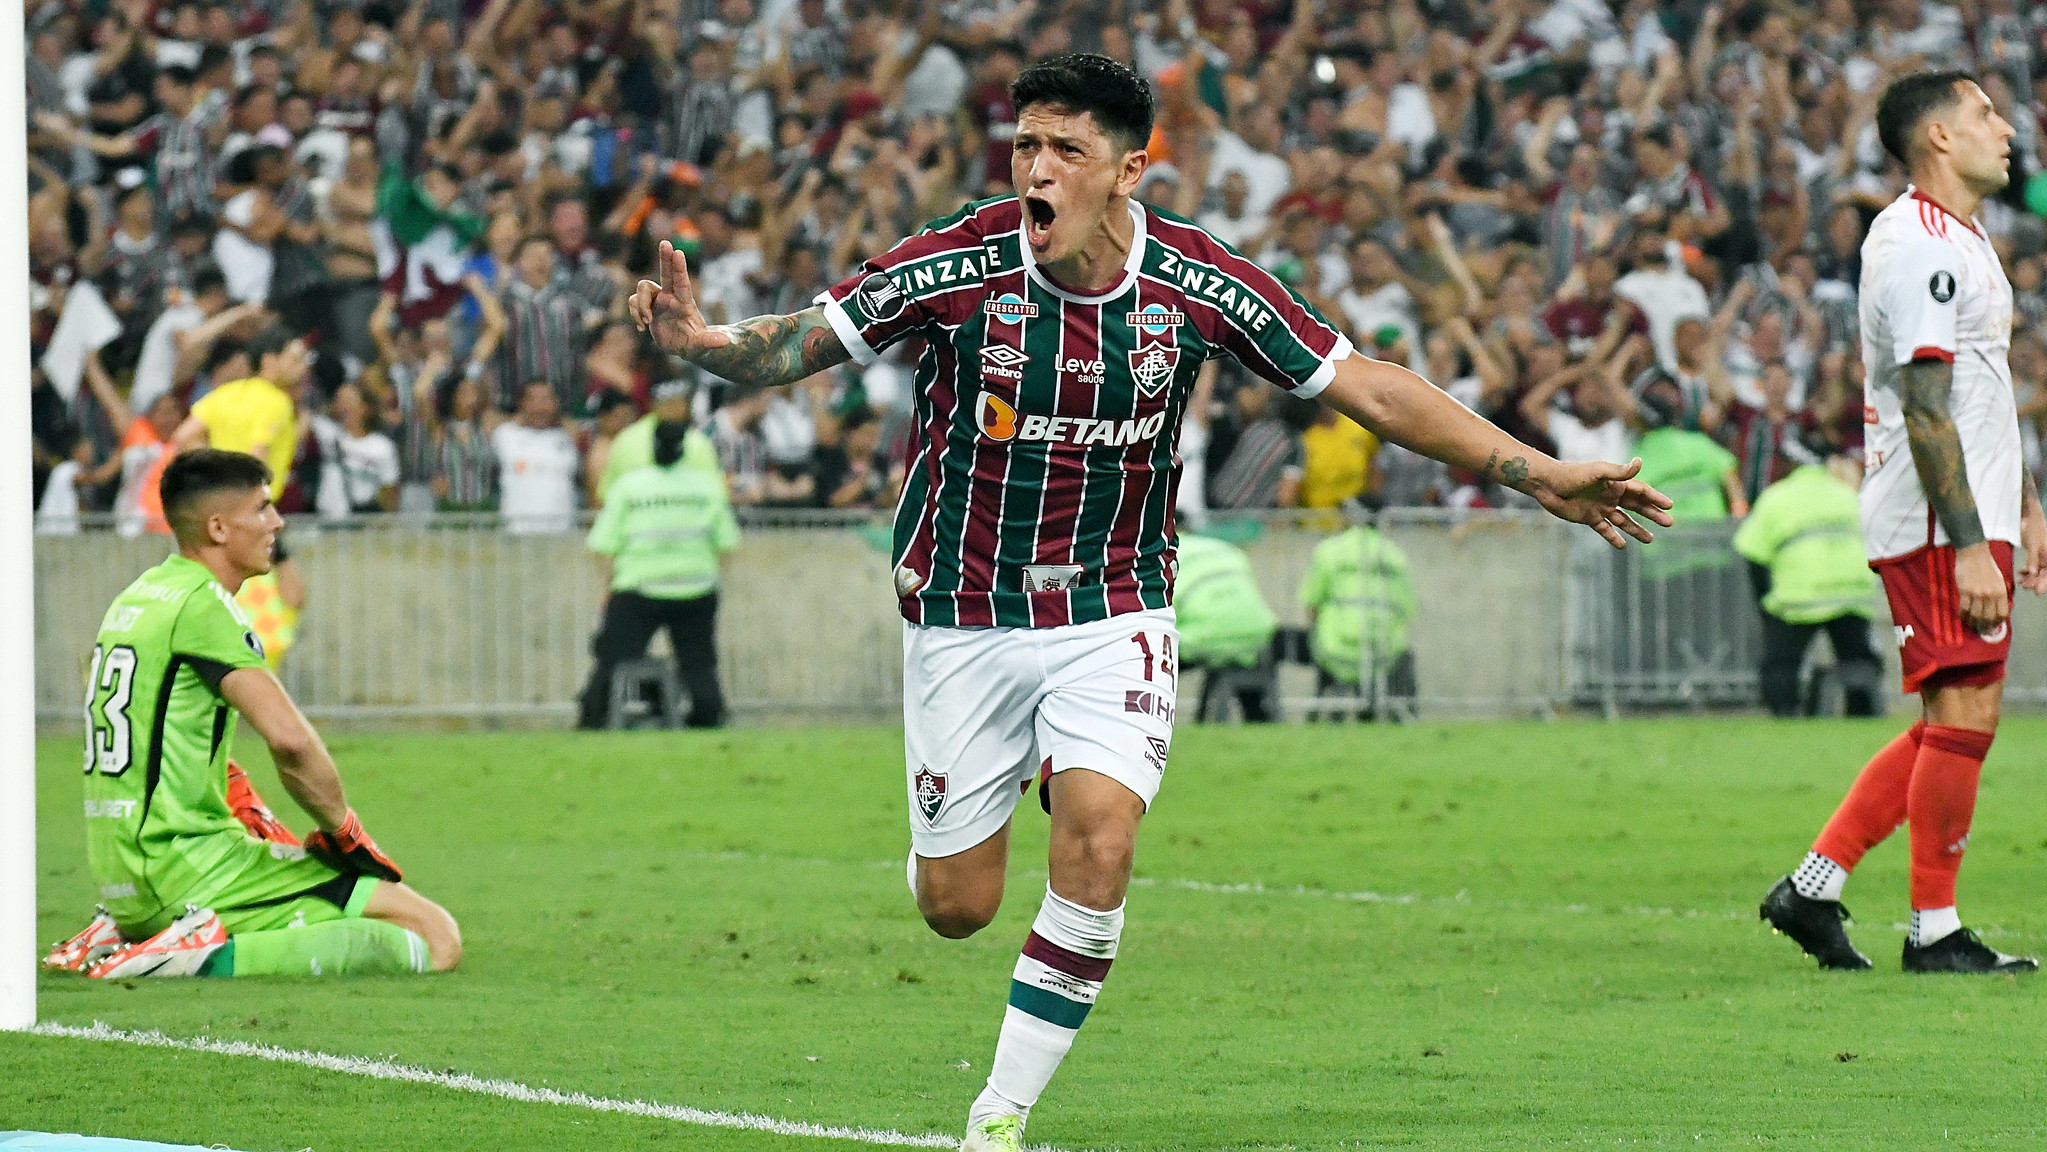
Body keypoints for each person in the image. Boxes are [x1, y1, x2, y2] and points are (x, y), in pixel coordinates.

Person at [630, 54, 1670, 1150]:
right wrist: (709, 349)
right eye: (1025, 145)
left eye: (1065, 150)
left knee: (1100, 845)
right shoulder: (957, 262)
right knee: (957, 908)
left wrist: (1535, 469)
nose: (1036, 167)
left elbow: (1365, 384)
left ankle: (999, 1115)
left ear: (1127, 170)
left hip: (1115, 605)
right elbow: (807, 337)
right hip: (966, 608)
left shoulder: (1200, 282)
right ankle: (982, 813)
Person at [1761, 71, 2044, 976]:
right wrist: (1969, 542)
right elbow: (1924, 409)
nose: (2005, 131)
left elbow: (1979, 395)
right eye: (1984, 115)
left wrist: (2024, 503)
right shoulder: (1918, 247)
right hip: (1932, 517)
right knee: (1962, 710)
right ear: (1935, 139)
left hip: (1970, 507)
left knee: (1954, 716)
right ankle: (1932, 931)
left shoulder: (1960, 238)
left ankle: (1812, 887)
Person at [42, 449, 460, 979]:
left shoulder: (140, 596)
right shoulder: (204, 606)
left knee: (316, 909)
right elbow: (291, 742)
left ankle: (133, 933)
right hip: (186, 867)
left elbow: (160, 739)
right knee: (433, 934)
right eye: (262, 508)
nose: (277, 522)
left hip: (124, 870)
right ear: (218, 527)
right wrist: (345, 830)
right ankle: (189, 957)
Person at [576, 420, 740, 729]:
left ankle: (592, 720)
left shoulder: (631, 486)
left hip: (639, 586)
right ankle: (707, 718)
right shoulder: (707, 486)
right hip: (696, 588)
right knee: (699, 664)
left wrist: (609, 586)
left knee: (612, 658)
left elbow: (602, 545)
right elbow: (726, 543)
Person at [1735, 456, 1883, 718]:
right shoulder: (1847, 495)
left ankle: (1784, 713)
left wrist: (1765, 603)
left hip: (1800, 595)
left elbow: (1751, 551)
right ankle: (1863, 712)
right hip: (1853, 591)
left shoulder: (1776, 497)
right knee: (1857, 659)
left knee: (1781, 662)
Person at [1298, 501, 1420, 718]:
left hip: (1335, 649)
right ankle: (1378, 716)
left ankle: (1329, 714)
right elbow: (1407, 609)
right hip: (1384, 652)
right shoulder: (1394, 554)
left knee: (1317, 646)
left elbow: (1311, 602)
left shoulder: (1329, 550)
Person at [173, 326, 307, 500]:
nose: (303, 367)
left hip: (222, 503)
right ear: (269, 361)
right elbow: (258, 454)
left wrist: (218, 480)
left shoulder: (226, 393)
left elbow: (184, 436)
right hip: (252, 508)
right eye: (295, 360)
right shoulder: (276, 402)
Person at [1172, 531, 1279, 722]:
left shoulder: (1168, 552)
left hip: (1202, 637)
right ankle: (1259, 719)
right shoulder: (1224, 547)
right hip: (1256, 634)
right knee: (1245, 666)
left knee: (1157, 658)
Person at [493, 380, 580, 534]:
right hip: (517, 534)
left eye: (546, 400)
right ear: (522, 403)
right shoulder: (505, 434)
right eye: (533, 400)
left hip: (562, 534)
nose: (540, 406)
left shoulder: (568, 436)